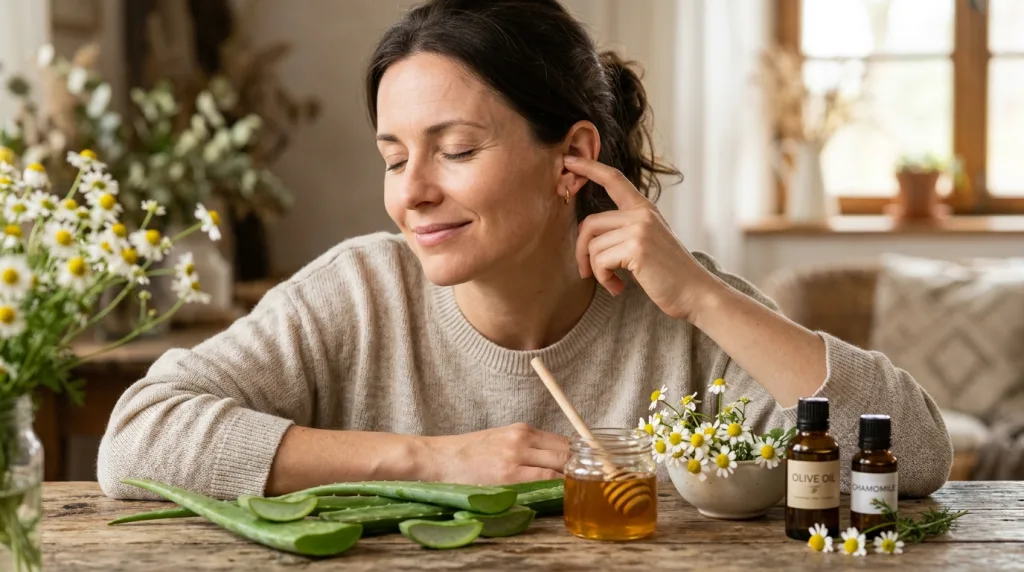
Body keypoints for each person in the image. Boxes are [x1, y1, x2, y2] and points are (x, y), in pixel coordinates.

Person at [97, 0, 952, 501]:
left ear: (571, 156)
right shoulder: (358, 292)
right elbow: (135, 441)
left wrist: (705, 298)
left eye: (456, 150)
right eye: (393, 158)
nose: (412, 191)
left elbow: (915, 452)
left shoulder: (680, 314)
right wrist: (429, 460)